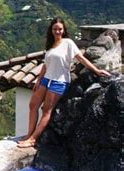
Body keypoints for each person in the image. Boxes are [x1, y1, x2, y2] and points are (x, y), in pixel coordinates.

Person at [17, 17, 111, 148]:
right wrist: (39, 80)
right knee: (33, 105)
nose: (57, 31)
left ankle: (33, 139)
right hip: (46, 80)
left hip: (59, 81)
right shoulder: (51, 45)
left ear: (64, 30)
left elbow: (81, 59)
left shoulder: (68, 43)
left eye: (60, 29)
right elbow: (46, 65)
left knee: (46, 111)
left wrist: (96, 70)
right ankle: (28, 134)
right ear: (51, 30)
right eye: (55, 29)